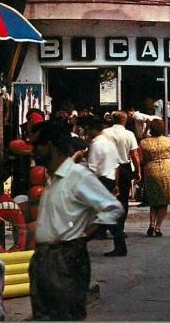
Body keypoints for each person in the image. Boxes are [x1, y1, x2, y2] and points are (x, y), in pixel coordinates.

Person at [29, 120, 123, 321]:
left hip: (65, 259)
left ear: (51, 146)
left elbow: (112, 208)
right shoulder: (52, 179)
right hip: (43, 258)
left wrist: (83, 237)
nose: (33, 150)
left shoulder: (78, 175)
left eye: (37, 145)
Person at [86, 117, 129, 256]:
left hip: (100, 181)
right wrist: (116, 185)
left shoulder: (96, 145)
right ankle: (119, 244)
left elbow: (91, 168)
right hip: (110, 180)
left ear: (93, 129)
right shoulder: (109, 143)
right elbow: (116, 166)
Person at [101, 111, 141, 253]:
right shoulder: (129, 134)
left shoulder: (105, 132)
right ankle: (120, 228)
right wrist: (138, 170)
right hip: (123, 168)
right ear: (124, 121)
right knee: (123, 199)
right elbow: (134, 154)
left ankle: (107, 228)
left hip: (108, 167)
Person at [140, 119, 170, 236]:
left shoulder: (144, 142)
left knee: (153, 200)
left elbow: (141, 158)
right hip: (166, 169)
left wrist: (146, 128)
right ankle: (158, 227)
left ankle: (151, 224)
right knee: (164, 200)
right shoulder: (168, 141)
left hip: (151, 169)